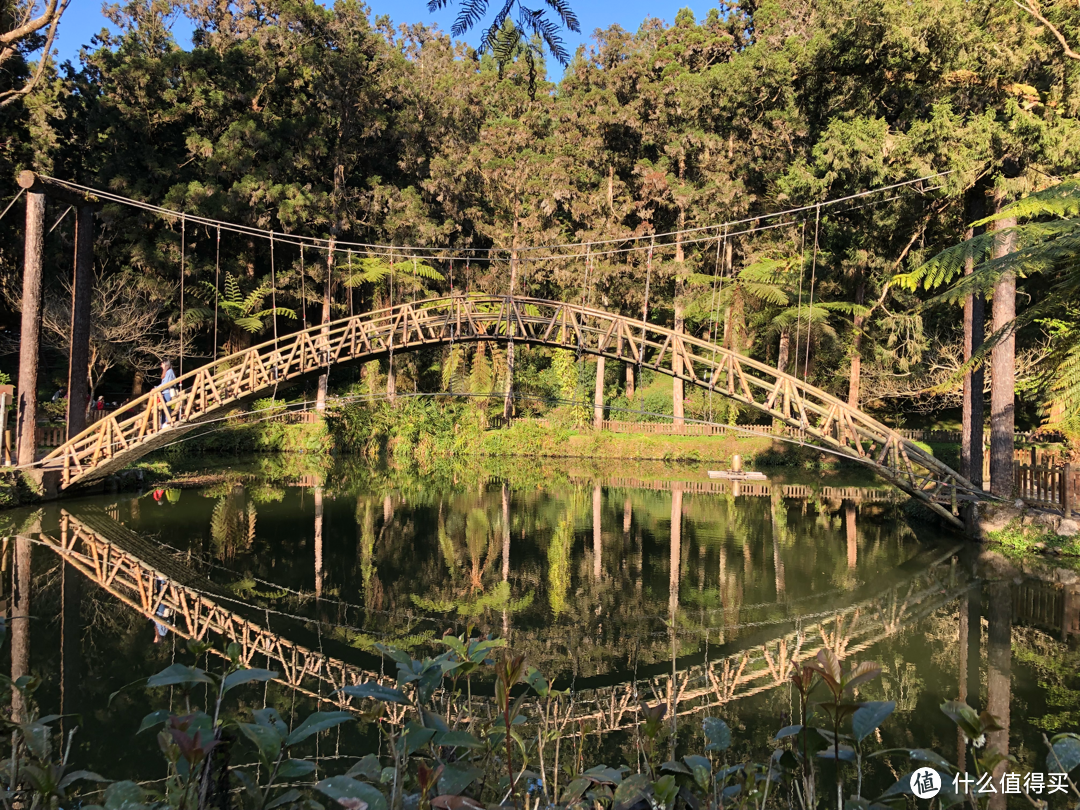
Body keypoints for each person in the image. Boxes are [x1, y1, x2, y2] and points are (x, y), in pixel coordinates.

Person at [159, 359, 176, 428]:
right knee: (164, 408)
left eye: (162, 364)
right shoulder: (166, 372)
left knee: (166, 407)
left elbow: (166, 383)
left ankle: (167, 422)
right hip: (164, 392)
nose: (161, 365)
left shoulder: (169, 372)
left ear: (165, 364)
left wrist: (157, 388)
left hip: (167, 392)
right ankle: (163, 422)